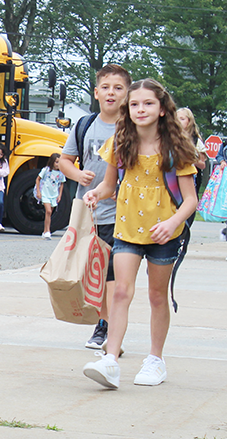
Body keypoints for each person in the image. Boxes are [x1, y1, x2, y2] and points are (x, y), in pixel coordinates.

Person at [81, 79, 198, 389]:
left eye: (148, 104)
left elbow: (190, 201)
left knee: (157, 296)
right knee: (120, 291)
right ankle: (111, 360)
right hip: (127, 229)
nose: (140, 109)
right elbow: (109, 185)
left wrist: (172, 224)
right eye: (134, 104)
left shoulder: (176, 148)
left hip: (163, 233)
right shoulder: (120, 143)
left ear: (162, 110)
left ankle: (155, 360)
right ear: (127, 109)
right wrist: (96, 194)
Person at [59, 64, 131, 351]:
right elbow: (65, 160)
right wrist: (78, 175)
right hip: (90, 213)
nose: (111, 93)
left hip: (124, 213)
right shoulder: (85, 124)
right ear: (96, 92)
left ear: (127, 92)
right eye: (106, 87)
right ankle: (105, 324)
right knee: (97, 274)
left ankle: (109, 330)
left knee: (115, 274)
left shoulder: (133, 126)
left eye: (118, 88)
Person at [36, 153, 65, 239]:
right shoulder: (46, 170)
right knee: (48, 211)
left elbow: (61, 184)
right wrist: (38, 191)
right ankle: (48, 231)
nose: (57, 164)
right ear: (52, 162)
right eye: (56, 162)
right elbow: (38, 179)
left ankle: (45, 231)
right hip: (45, 193)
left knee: (49, 213)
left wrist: (59, 195)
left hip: (54, 194)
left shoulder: (61, 173)